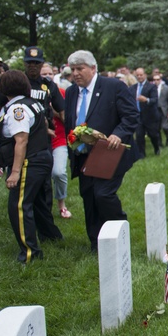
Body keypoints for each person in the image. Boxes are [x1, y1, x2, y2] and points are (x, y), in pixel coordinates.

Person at [64, 50, 141, 252]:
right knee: (88, 196)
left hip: (108, 153)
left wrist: (118, 134)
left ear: (93, 68)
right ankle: (96, 242)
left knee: (103, 194)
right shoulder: (72, 92)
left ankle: (119, 231)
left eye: (80, 69)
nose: (76, 73)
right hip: (82, 154)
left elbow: (131, 115)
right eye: (72, 69)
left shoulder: (113, 86)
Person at [0, 70, 62, 263]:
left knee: (19, 206)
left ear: (4, 88)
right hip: (41, 157)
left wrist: (15, 173)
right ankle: (52, 236)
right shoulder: (32, 103)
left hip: (29, 161)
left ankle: (30, 253)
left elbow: (21, 141)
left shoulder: (18, 109)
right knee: (38, 202)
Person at [41, 63, 71, 219]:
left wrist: (54, 110)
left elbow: (68, 120)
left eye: (50, 73)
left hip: (59, 139)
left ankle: (62, 204)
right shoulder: (33, 93)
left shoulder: (61, 93)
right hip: (39, 141)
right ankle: (43, 209)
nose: (47, 76)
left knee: (58, 172)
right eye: (43, 73)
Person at [130, 67, 161, 156]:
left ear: (145, 75)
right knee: (139, 135)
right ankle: (141, 154)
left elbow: (155, 100)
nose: (139, 77)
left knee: (153, 135)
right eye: (138, 75)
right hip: (138, 116)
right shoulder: (133, 88)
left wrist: (146, 100)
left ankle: (157, 148)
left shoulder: (151, 87)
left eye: (141, 75)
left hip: (150, 116)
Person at [156, 73, 168, 147]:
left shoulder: (166, 88)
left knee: (165, 126)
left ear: (160, 80)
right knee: (157, 128)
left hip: (164, 110)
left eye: (157, 79)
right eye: (154, 80)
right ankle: (159, 143)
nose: (156, 81)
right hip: (156, 111)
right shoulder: (152, 88)